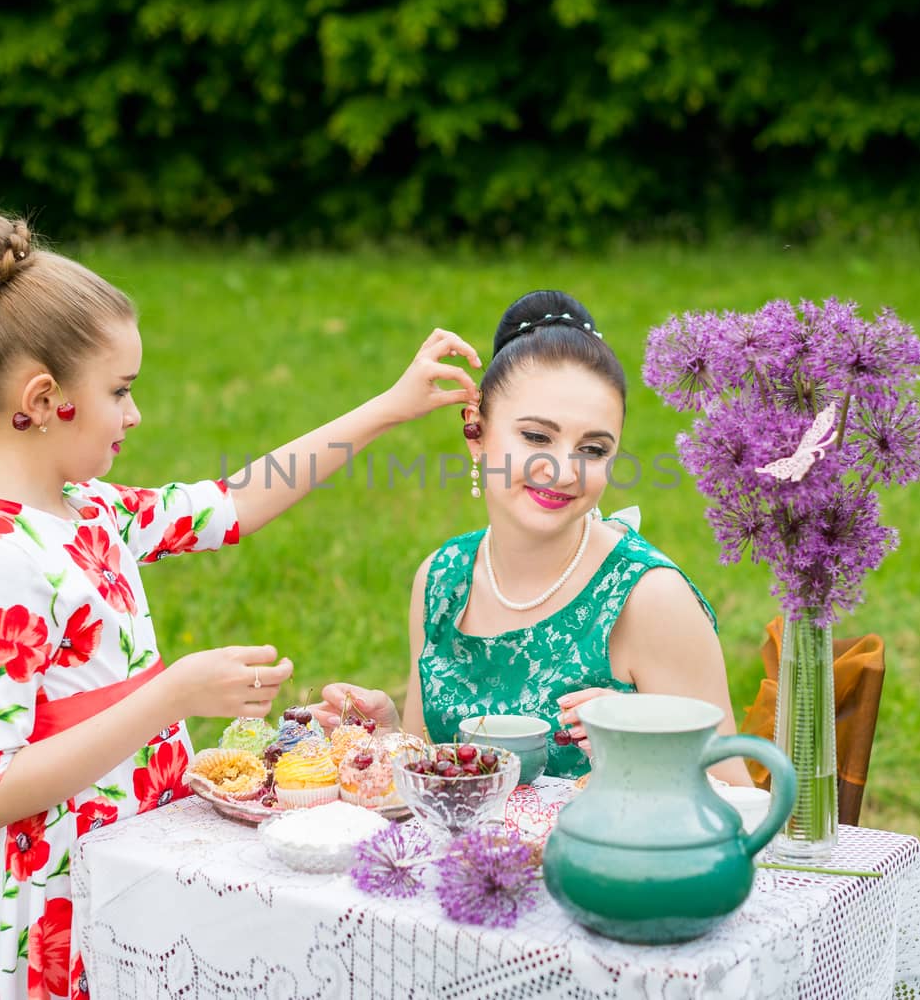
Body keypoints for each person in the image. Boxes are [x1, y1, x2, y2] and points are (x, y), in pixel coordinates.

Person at [0, 215, 480, 1000]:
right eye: (119, 392)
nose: (134, 414)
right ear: (44, 400)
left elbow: (236, 503)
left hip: (116, 856)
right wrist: (172, 696)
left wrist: (387, 407)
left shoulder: (87, 511)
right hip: (46, 895)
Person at [316, 291, 752, 785]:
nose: (564, 471)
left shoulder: (648, 599)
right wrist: (393, 740)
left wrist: (650, 744)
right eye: (537, 437)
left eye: (592, 448)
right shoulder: (442, 578)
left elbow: (739, 807)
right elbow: (434, 770)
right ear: (476, 434)